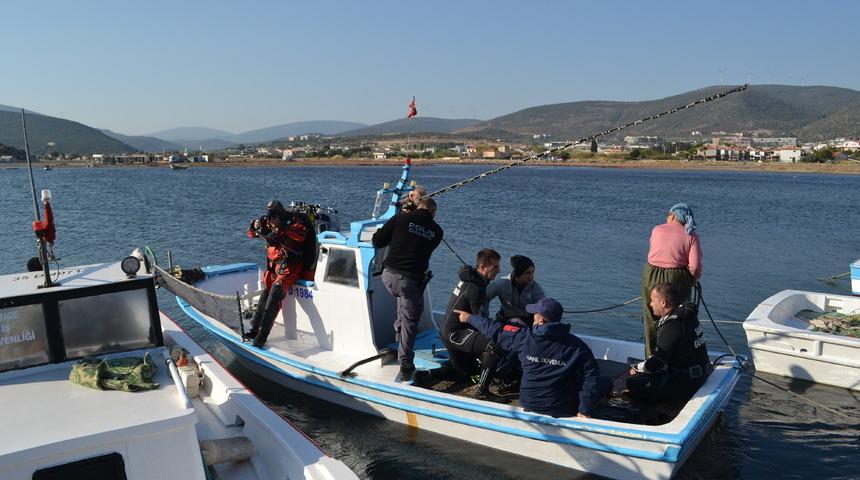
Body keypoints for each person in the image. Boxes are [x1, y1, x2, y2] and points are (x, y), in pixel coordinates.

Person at [454, 297, 612, 417]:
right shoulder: (577, 347)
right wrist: (584, 410)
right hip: (558, 406)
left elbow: (495, 329)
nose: (532, 318)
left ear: (541, 321)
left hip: (529, 402)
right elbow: (591, 377)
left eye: (534, 315)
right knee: (605, 382)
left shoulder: (523, 338)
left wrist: (469, 318)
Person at [372, 197, 443, 382]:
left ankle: (398, 332)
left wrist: (403, 217)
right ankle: (405, 364)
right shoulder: (437, 231)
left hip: (387, 277)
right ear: (434, 213)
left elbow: (377, 240)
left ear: (417, 207)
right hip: (410, 282)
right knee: (411, 321)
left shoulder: (401, 219)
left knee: (404, 304)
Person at [627, 283, 711, 403]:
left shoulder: (672, 326)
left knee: (632, 382)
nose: (650, 304)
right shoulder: (687, 316)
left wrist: (636, 368)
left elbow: (656, 363)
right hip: (698, 373)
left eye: (652, 300)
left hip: (686, 382)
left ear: (663, 303)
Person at [441, 248, 505, 400]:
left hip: (447, 330)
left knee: (465, 373)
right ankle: (482, 392)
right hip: (456, 334)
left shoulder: (472, 277)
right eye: (495, 267)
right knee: (495, 345)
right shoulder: (476, 288)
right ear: (482, 268)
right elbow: (481, 323)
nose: (499, 270)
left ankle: (426, 375)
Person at [641, 203, 702, 357]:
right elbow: (695, 266)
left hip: (651, 273)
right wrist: (692, 281)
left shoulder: (657, 229)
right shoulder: (691, 235)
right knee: (679, 316)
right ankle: (676, 357)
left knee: (650, 315)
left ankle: (651, 357)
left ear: (673, 216)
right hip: (678, 277)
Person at [246, 200, 309, 347]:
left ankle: (262, 336)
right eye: (270, 217)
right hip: (274, 267)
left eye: (274, 217)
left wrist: (283, 227)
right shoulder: (267, 221)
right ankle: (254, 329)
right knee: (265, 295)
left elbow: (301, 235)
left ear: (280, 215)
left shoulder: (294, 221)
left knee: (275, 294)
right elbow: (251, 234)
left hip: (290, 267)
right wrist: (254, 225)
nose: (271, 221)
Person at [485, 255, 546, 325]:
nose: (531, 277)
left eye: (533, 272)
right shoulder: (501, 283)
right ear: (518, 274)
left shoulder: (536, 290)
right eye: (528, 273)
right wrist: (485, 316)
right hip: (505, 320)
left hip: (527, 322)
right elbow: (484, 297)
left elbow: (541, 311)